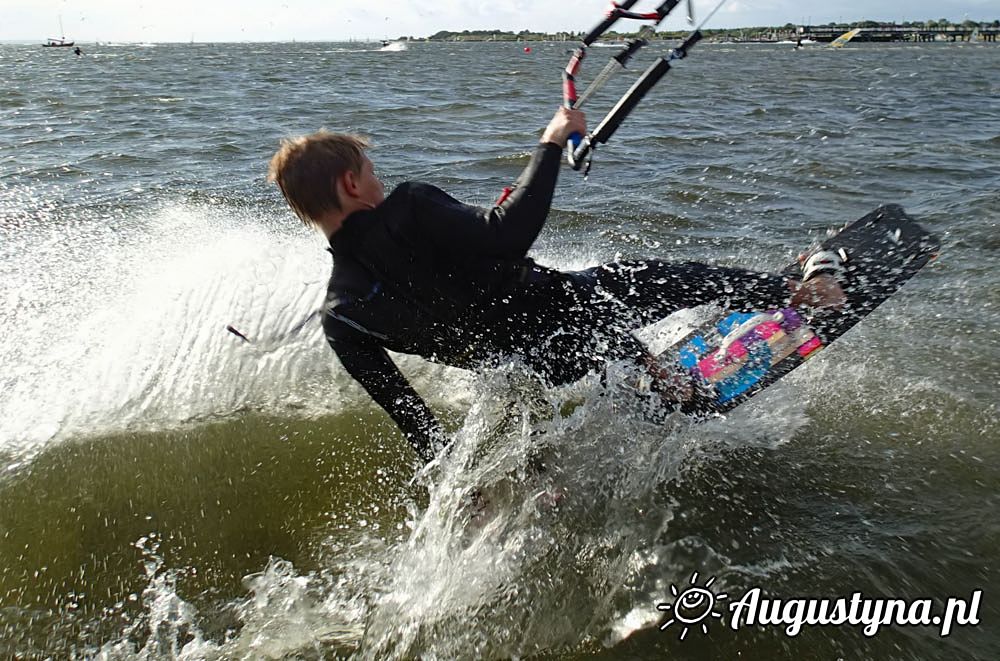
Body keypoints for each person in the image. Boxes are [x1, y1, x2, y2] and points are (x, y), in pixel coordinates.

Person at [267, 108, 845, 463]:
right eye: (371, 172)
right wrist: (549, 143)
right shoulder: (409, 206)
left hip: (540, 367)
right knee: (655, 278)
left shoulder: (339, 315)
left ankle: (655, 384)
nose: (380, 179)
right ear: (350, 182)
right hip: (578, 319)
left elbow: (412, 417)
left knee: (572, 320)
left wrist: (462, 487)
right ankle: (805, 294)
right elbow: (505, 235)